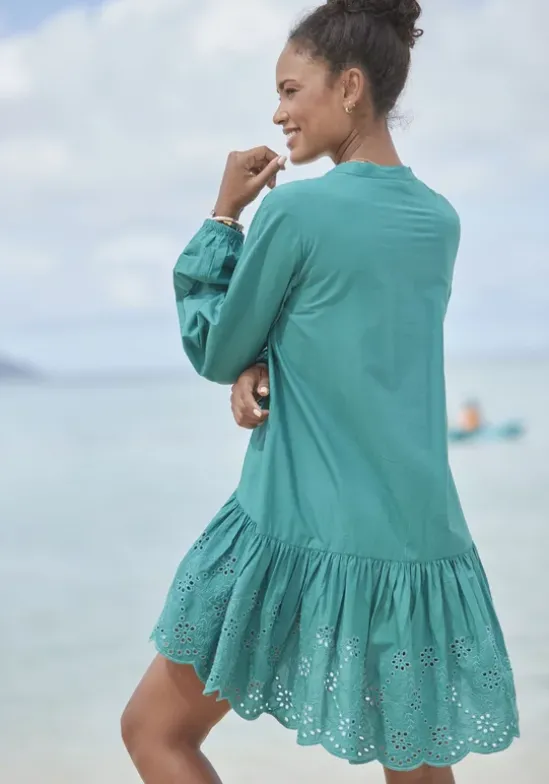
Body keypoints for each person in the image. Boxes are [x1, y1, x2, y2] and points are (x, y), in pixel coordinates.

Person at [121, 1, 519, 782]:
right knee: (416, 769)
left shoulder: (294, 211)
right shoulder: (439, 221)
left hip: (294, 527)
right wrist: (267, 357)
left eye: (289, 90)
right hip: (417, 545)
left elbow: (216, 347)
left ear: (348, 87)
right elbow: (353, 336)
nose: (277, 113)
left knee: (153, 733)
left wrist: (224, 217)